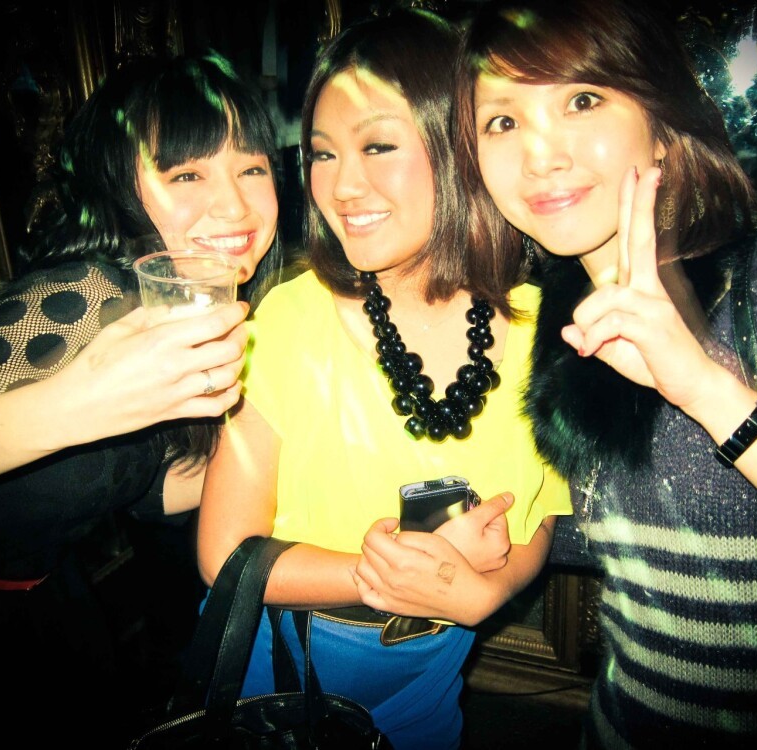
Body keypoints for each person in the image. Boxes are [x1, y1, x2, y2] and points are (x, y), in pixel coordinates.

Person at [454, 0, 757, 747]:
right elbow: (643, 534)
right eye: (502, 121)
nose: (539, 156)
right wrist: (499, 551)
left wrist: (707, 388)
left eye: (582, 100)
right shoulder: (558, 314)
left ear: (662, 119)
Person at [196, 9, 571, 750]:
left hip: (431, 678)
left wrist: (488, 590)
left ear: (458, 147)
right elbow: (225, 553)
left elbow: (538, 514)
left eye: (377, 146)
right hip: (285, 671)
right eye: (322, 154)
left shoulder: (545, 328)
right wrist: (403, 574)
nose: (341, 186)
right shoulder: (289, 318)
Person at [0, 50, 282, 747]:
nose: (235, 205)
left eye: (252, 168)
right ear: (120, 188)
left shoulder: (197, 315)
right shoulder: (84, 294)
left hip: (47, 607)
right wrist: (78, 402)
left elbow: (145, 490)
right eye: (187, 174)